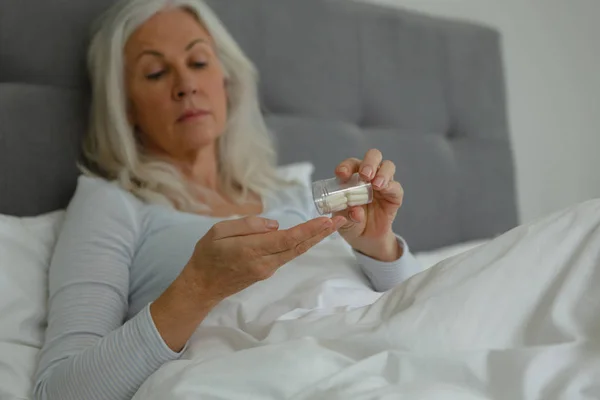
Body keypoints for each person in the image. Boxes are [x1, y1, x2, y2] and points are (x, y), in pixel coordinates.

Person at [33, 0, 422, 399]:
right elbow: (59, 391)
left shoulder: (295, 192)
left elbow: (422, 313)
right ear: (126, 106)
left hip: (381, 364)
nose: (185, 84)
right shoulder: (113, 203)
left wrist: (379, 246)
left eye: (198, 62)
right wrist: (198, 288)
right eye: (155, 72)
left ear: (226, 80)